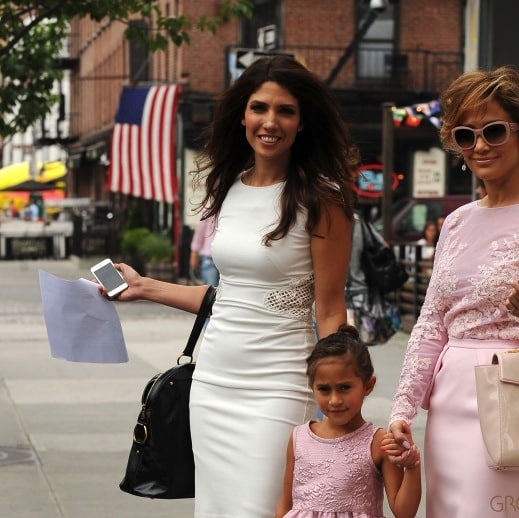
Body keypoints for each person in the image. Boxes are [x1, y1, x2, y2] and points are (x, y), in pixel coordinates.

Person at [102, 56, 359, 517]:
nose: (270, 122)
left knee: (262, 509)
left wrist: (344, 394)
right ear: (242, 114)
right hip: (213, 382)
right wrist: (144, 287)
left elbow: (330, 309)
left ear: (303, 123)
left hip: (279, 383)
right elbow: (230, 298)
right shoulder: (229, 188)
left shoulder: (322, 198)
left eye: (286, 111)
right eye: (259, 108)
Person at [383, 66, 519, 517]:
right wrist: (402, 409)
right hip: (448, 398)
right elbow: (431, 322)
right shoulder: (457, 222)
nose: (480, 145)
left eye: (493, 131)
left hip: (512, 394)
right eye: (466, 135)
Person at [275, 324, 421, 518]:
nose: (335, 400)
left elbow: (404, 512)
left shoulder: (379, 441)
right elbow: (286, 504)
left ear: (368, 386)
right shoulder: (298, 438)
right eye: (324, 389)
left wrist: (412, 466)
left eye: (344, 388)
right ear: (312, 387)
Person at [189, 215, 219, 286]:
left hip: (227, 259)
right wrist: (194, 252)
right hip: (210, 259)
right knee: (211, 289)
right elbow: (200, 232)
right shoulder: (209, 210)